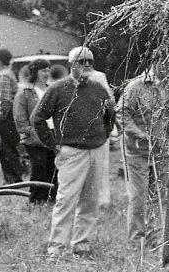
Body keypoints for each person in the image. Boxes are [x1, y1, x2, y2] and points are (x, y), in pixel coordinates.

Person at [31, 46, 115, 259]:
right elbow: (38, 118)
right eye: (81, 61)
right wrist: (53, 145)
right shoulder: (58, 89)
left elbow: (110, 114)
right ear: (71, 65)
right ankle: (57, 248)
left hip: (96, 150)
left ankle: (81, 244)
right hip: (71, 152)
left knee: (90, 201)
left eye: (89, 61)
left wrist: (104, 134)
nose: (86, 65)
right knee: (66, 200)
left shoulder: (98, 88)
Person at [119, 66, 169, 249]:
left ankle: (156, 237)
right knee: (138, 196)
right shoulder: (136, 86)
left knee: (161, 196)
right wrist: (138, 133)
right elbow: (122, 113)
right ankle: (137, 239)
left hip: (162, 151)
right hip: (137, 151)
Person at [13, 58, 56, 205]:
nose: (46, 73)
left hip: (52, 134)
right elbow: (20, 118)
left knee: (53, 168)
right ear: (35, 72)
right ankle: (37, 200)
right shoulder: (25, 92)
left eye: (48, 70)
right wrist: (30, 133)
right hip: (35, 137)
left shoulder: (51, 90)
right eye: (43, 70)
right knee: (39, 167)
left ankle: (52, 198)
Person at [0, 48, 23, 184]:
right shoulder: (8, 74)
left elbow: (5, 101)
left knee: (8, 150)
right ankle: (10, 179)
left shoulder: (4, 76)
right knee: (5, 149)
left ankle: (15, 180)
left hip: (7, 118)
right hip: (11, 117)